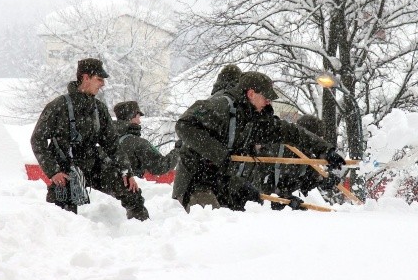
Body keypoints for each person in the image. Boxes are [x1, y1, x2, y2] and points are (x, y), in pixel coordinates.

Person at [173, 71, 346, 212]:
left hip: (224, 183)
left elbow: (291, 132)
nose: (269, 102)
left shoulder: (256, 120)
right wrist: (219, 154)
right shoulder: (221, 106)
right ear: (251, 93)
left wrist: (324, 150)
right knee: (213, 228)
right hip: (197, 181)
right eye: (266, 97)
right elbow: (184, 125)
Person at [30, 58, 140, 217]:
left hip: (93, 164)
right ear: (85, 77)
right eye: (99, 79)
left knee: (132, 190)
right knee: (62, 216)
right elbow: (37, 140)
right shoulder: (58, 106)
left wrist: (126, 171)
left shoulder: (99, 109)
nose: (103, 84)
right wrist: (53, 171)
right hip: (65, 170)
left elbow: (112, 144)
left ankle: (142, 232)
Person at [97, 100, 182, 220]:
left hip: (108, 194)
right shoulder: (137, 143)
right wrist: (178, 150)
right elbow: (160, 167)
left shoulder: (107, 140)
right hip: (132, 195)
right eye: (138, 116)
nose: (139, 120)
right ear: (131, 117)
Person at [250, 114, 342, 210]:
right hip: (257, 210)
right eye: (315, 141)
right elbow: (257, 180)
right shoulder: (275, 150)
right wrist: (278, 198)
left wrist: (323, 181)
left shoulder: (307, 159)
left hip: (284, 215)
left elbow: (307, 183)